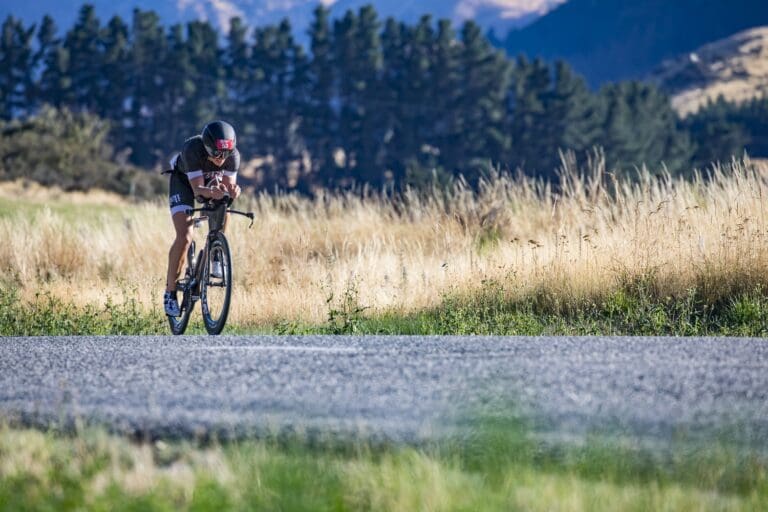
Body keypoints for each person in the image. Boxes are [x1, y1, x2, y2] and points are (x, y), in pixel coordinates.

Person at [164, 120, 242, 316]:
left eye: (226, 154)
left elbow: (226, 189)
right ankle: (170, 293)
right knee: (185, 236)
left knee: (223, 203)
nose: (222, 158)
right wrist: (212, 192)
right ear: (207, 147)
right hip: (185, 183)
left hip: (208, 183)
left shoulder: (233, 156)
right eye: (217, 153)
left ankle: (215, 252)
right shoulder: (192, 148)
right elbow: (198, 190)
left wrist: (232, 191)